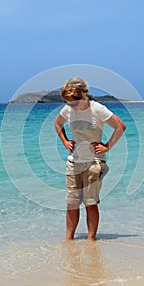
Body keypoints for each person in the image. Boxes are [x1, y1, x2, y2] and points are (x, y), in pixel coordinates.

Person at [54, 78, 126, 241]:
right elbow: (58, 124)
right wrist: (65, 141)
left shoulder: (98, 109)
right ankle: (68, 240)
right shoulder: (68, 108)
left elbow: (120, 127)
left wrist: (107, 146)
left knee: (90, 202)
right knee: (72, 203)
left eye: (73, 102)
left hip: (94, 163)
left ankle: (91, 240)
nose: (70, 106)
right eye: (68, 102)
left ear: (83, 96)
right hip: (73, 162)